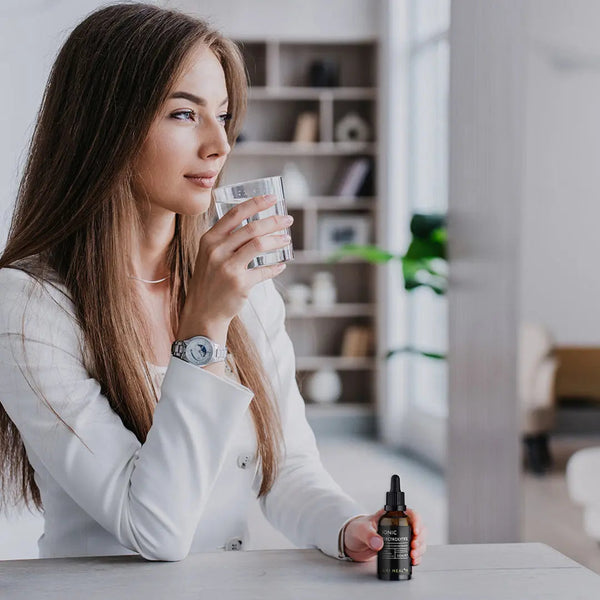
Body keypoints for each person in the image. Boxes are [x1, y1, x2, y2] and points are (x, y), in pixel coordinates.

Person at [0, 2, 427, 563]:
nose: (219, 145)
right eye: (184, 114)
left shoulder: (242, 287)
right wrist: (203, 330)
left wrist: (348, 525)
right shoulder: (28, 305)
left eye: (223, 116)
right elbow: (155, 529)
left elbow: (288, 466)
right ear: (104, 127)